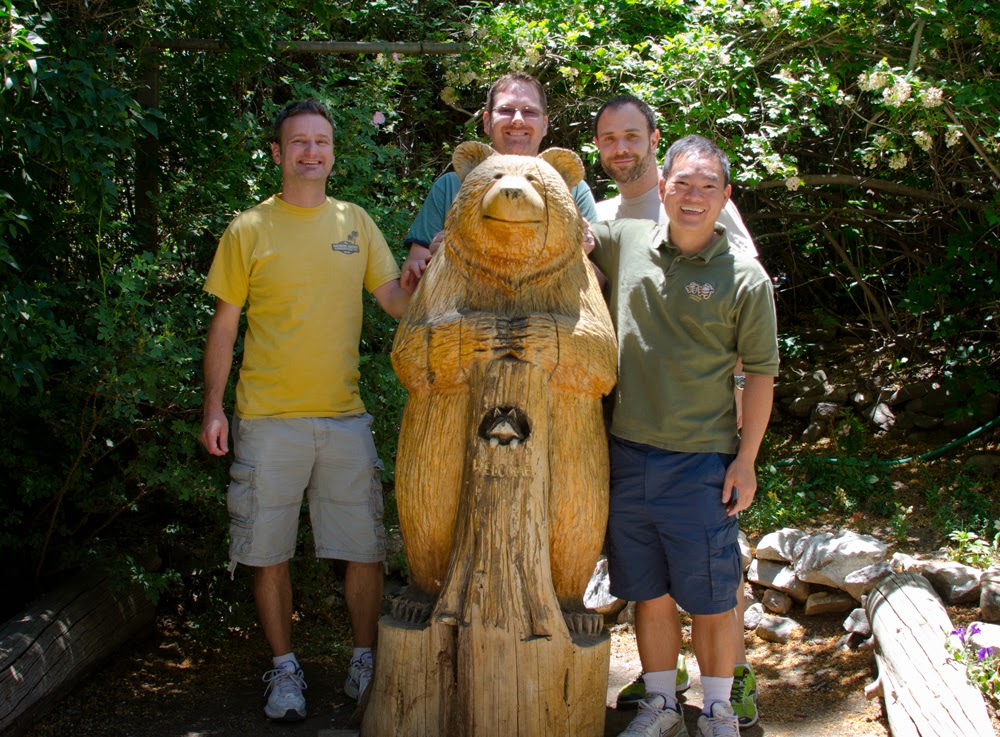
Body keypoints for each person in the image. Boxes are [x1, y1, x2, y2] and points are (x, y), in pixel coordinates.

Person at [199, 99, 412, 722]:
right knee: (267, 552)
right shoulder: (248, 229)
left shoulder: (356, 222)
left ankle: (364, 660)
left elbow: (395, 301)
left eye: (321, 141)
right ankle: (284, 669)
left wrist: (425, 275)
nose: (311, 151)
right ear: (278, 153)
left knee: (366, 549)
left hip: (345, 418)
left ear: (333, 153)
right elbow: (225, 324)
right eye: (299, 142)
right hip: (266, 422)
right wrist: (213, 406)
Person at [587, 135, 779, 737]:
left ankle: (719, 708)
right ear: (661, 185)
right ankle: (663, 704)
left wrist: (746, 460)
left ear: (725, 196)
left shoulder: (746, 279)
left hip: (703, 459)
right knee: (649, 592)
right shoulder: (625, 242)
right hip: (626, 452)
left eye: (708, 185)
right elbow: (556, 233)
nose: (694, 196)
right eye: (683, 183)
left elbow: (763, 376)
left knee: (714, 596)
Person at [400, 72, 599, 286]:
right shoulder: (450, 186)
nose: (517, 120)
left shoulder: (572, 189)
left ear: (545, 124)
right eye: (506, 110)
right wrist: (437, 259)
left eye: (529, 111)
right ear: (487, 122)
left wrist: (579, 251)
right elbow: (412, 276)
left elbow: (601, 282)